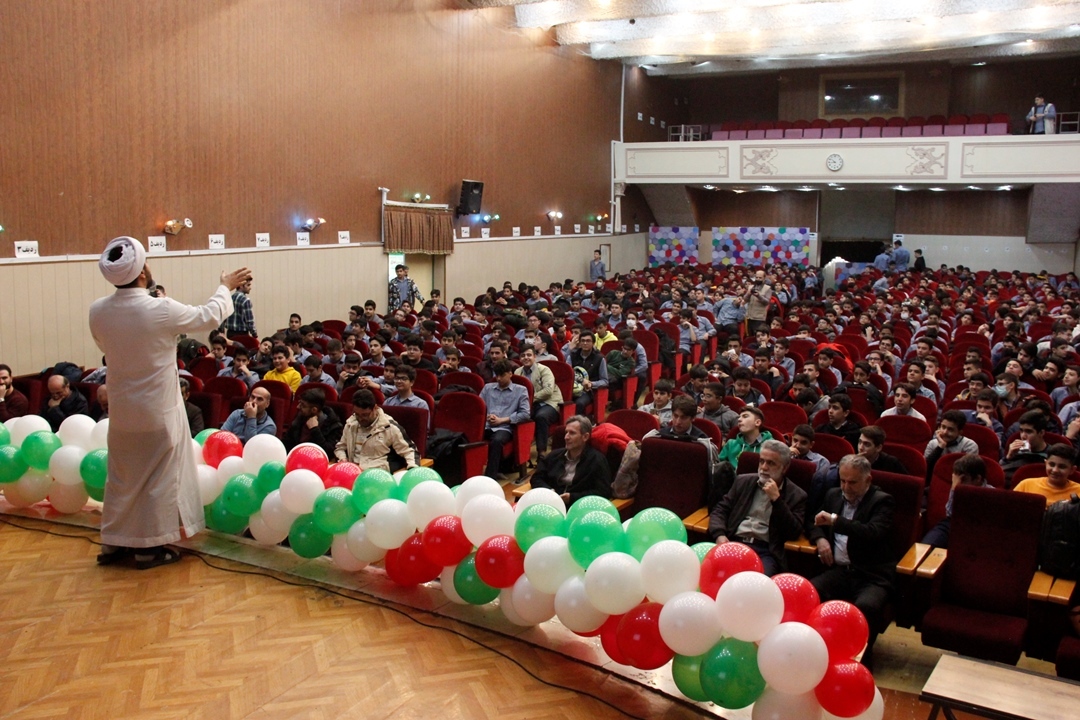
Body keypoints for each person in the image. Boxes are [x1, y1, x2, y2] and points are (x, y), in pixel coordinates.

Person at [88, 235, 250, 569]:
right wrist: (225, 287)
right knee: (158, 481)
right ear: (142, 272)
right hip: (157, 411)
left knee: (121, 479)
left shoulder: (98, 311)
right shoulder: (159, 309)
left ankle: (113, 543)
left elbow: (106, 345)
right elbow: (208, 316)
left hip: (121, 411)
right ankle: (149, 548)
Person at [808, 454, 896, 668]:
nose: (846, 487)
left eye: (852, 482)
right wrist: (820, 539)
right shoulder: (833, 495)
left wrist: (835, 521)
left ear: (868, 480)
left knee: (866, 607)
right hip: (840, 571)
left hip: (872, 575)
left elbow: (872, 532)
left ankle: (860, 661)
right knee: (811, 592)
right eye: (842, 480)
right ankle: (814, 653)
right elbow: (813, 522)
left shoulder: (882, 501)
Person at [708, 439, 807, 576]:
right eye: (762, 461)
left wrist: (777, 500)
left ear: (784, 468)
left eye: (771, 463)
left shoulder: (796, 495)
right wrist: (719, 535)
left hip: (765, 551)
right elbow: (720, 510)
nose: (764, 467)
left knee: (758, 582)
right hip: (735, 542)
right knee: (713, 573)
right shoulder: (743, 481)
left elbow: (793, 532)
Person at [529, 415, 612, 505]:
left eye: (572, 433)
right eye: (566, 432)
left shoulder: (597, 460)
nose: (566, 437)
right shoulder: (553, 456)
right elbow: (536, 478)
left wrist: (573, 497)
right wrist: (549, 491)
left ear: (585, 437)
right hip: (551, 503)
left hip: (580, 506)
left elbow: (603, 492)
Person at [334, 389, 418, 472]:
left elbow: (410, 451)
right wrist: (343, 459)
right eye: (357, 414)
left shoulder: (390, 427)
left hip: (377, 474)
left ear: (375, 408)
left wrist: (412, 469)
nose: (361, 419)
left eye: (365, 415)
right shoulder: (351, 423)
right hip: (352, 471)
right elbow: (340, 448)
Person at [923, 453, 990, 548]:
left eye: (964, 479)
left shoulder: (992, 493)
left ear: (978, 479)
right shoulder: (956, 487)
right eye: (957, 479)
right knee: (924, 547)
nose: (959, 483)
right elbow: (950, 513)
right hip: (952, 523)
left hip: (978, 528)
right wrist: (954, 488)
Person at [479, 359, 531, 480]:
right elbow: (479, 408)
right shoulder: (487, 388)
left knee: (497, 441)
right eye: (497, 375)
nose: (498, 379)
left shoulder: (521, 390)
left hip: (505, 427)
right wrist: (487, 416)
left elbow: (525, 414)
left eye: (502, 375)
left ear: (510, 374)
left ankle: (489, 478)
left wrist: (502, 420)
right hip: (487, 425)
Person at [515, 347, 562, 457]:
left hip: (549, 402)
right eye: (523, 355)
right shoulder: (517, 372)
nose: (526, 358)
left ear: (534, 357)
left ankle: (542, 452)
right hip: (530, 405)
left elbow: (548, 391)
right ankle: (519, 456)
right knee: (518, 417)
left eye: (529, 355)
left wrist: (529, 399)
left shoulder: (544, 370)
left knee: (541, 416)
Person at [283, 387, 343, 456]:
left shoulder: (334, 425)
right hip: (296, 457)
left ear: (314, 410)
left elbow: (328, 452)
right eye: (299, 403)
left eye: (303, 405)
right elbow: (286, 443)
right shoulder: (300, 418)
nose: (298, 407)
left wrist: (315, 430)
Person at [1014, 443, 1080, 505]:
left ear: (1072, 470)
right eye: (1052, 465)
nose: (1055, 470)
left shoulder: (1078, 491)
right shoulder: (1026, 485)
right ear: (1046, 463)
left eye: (1062, 467)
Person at [223, 274, 256, 339]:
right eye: (248, 285)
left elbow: (224, 316)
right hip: (242, 334)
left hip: (230, 333)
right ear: (241, 286)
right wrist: (254, 334)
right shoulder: (245, 300)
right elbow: (249, 321)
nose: (250, 288)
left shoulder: (229, 298)